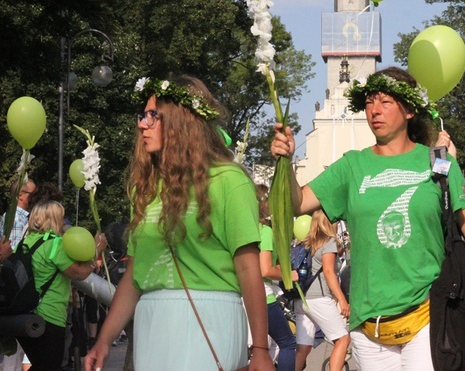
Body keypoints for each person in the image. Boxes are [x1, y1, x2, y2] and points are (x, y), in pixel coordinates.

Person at [270, 66, 465, 370]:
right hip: (369, 326)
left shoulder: (438, 161)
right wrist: (285, 161)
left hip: (427, 314)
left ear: (408, 110)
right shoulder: (352, 165)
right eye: (369, 102)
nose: (374, 111)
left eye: (385, 102)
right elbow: (298, 201)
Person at [84, 76, 273, 371]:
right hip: (151, 320)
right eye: (142, 116)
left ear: (181, 121)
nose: (142, 125)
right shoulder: (145, 188)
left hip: (211, 317)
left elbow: (248, 268)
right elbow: (135, 273)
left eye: (152, 116)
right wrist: (105, 339)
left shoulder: (229, 181)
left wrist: (260, 348)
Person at [16, 200, 104, 370]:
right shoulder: (55, 244)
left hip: (26, 314)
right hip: (50, 315)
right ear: (53, 219)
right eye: (61, 218)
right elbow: (79, 273)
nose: (64, 222)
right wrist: (97, 251)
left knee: (40, 364)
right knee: (51, 365)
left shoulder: (26, 242)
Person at [293, 210, 350, 371]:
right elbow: (329, 272)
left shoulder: (304, 242)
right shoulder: (328, 241)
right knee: (343, 339)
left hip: (301, 299)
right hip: (318, 299)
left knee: (303, 348)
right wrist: (342, 300)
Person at [256, 184, 296, 371]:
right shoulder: (264, 231)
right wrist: (288, 275)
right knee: (287, 342)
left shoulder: (239, 227)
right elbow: (265, 270)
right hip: (261, 295)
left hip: (237, 294)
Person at [0, 178, 36, 371]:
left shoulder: (17, 217)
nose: (36, 197)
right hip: (15, 291)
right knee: (13, 356)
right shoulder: (17, 219)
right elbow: (11, 255)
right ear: (20, 195)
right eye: (33, 193)